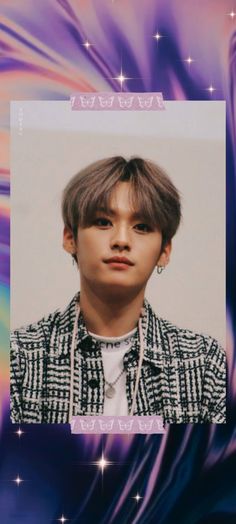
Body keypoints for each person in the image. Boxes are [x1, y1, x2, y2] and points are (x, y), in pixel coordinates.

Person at [10, 156, 226, 424]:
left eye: (142, 227)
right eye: (103, 222)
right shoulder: (17, 358)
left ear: (165, 251)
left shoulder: (204, 363)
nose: (121, 240)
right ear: (70, 238)